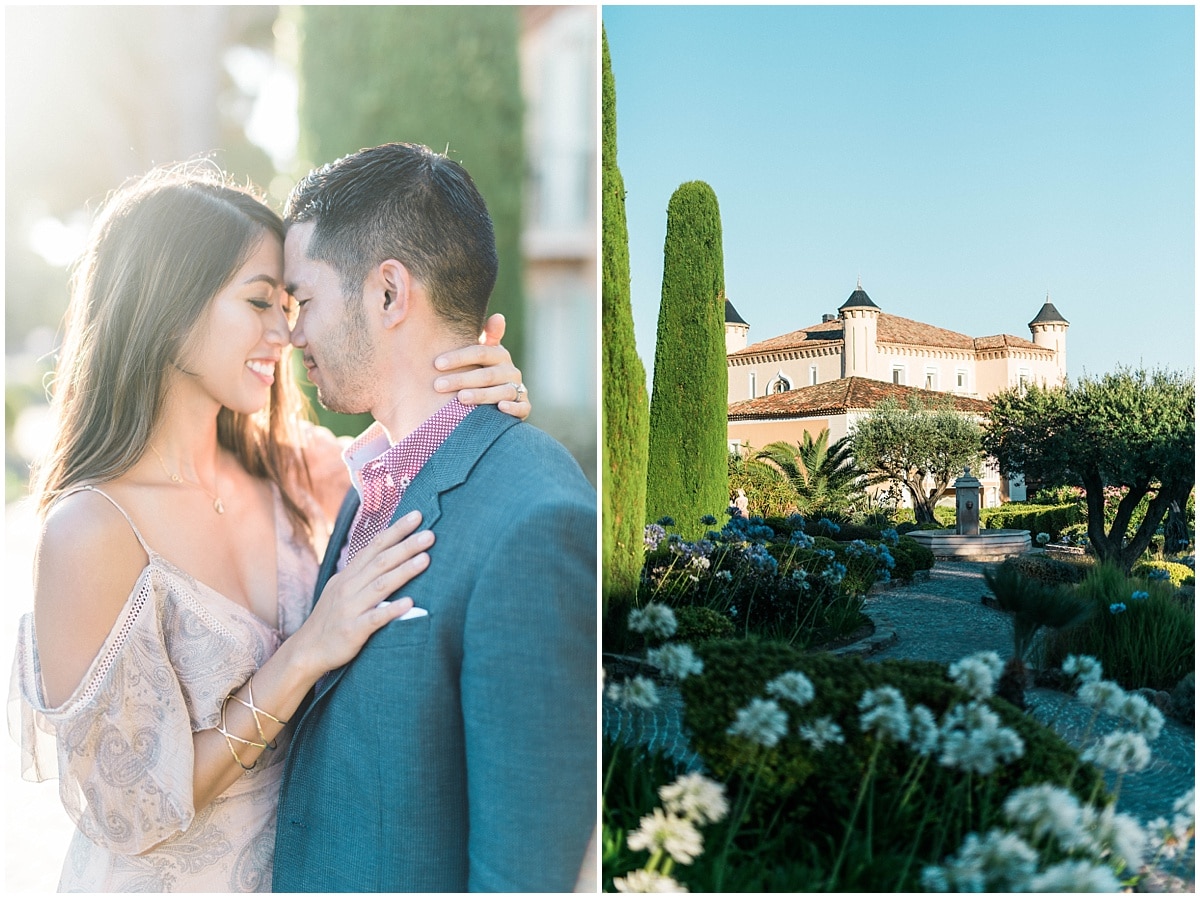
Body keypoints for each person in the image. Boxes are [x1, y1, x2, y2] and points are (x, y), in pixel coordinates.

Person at [9, 162, 529, 892]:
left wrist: (476, 388)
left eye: (290, 304)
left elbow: (416, 441)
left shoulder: (299, 472)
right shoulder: (91, 530)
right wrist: (304, 654)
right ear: (166, 306)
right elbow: (131, 810)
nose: (286, 332)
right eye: (260, 303)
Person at [271, 143, 596, 892]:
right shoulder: (370, 481)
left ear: (389, 294)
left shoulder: (537, 522)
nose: (292, 334)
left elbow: (526, 875)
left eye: (304, 300)